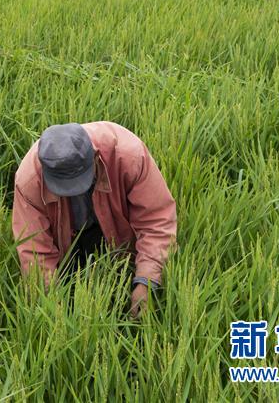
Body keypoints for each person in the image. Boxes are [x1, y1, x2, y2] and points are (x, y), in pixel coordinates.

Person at [12, 122, 177, 318]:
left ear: (94, 158)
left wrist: (147, 281)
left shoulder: (129, 156)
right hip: (66, 236)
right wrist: (51, 306)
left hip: (118, 229)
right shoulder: (30, 179)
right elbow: (34, 250)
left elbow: (155, 220)